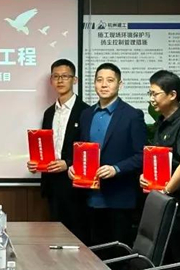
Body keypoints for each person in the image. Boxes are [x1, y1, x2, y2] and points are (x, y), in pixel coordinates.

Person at [69, 62, 146, 246]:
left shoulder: (132, 115)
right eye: (99, 80)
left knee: (117, 254)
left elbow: (142, 155)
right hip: (88, 197)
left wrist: (116, 169)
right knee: (92, 252)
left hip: (119, 199)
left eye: (110, 80)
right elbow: (81, 150)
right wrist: (73, 166)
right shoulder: (86, 114)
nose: (104, 85)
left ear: (120, 84)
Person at [139, 70, 180, 266]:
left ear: (172, 94)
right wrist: (145, 176)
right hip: (162, 201)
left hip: (177, 204)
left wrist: (165, 191)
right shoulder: (161, 121)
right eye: (150, 93)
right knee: (163, 258)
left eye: (155, 93)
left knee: (179, 257)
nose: (151, 98)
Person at [27, 59, 89, 242]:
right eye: (56, 77)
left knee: (77, 238)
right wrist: (37, 163)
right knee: (55, 237)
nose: (60, 80)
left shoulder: (86, 112)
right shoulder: (49, 113)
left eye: (65, 76)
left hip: (75, 183)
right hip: (52, 183)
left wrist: (68, 163)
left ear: (74, 80)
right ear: (51, 81)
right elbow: (45, 148)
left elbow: (88, 148)